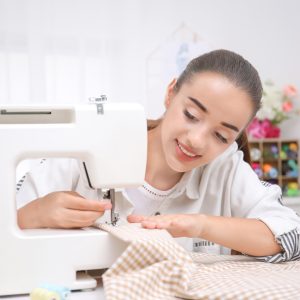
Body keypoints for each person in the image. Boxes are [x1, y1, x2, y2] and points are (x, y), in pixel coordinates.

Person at [17, 49, 300, 263]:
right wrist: (34, 214)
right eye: (191, 115)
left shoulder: (224, 169)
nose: (196, 140)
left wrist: (200, 225)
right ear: (170, 93)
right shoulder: (86, 149)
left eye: (221, 136)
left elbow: (290, 235)